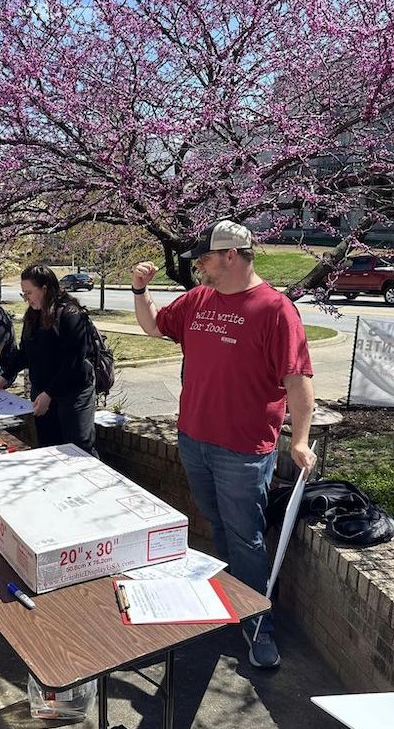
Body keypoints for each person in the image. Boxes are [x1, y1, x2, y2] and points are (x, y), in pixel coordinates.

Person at [131, 219, 316, 669]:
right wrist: (140, 291)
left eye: (205, 258)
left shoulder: (275, 309)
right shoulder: (199, 299)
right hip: (194, 438)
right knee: (216, 524)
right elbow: (155, 327)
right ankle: (231, 600)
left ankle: (258, 624)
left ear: (231, 256)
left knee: (246, 538)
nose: (199, 266)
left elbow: (298, 381)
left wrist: (301, 439)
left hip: (243, 449)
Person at [0, 264, 97, 455]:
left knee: (78, 450)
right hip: (43, 393)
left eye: (29, 293)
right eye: (23, 294)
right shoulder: (33, 316)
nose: (26, 299)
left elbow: (74, 362)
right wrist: (5, 377)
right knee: (49, 448)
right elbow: (25, 352)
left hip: (73, 393)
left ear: (45, 289)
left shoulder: (71, 314)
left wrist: (49, 393)